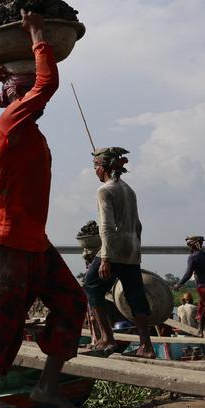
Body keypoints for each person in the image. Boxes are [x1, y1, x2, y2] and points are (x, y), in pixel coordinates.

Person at [0, 12, 89, 408]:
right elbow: (47, 82)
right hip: (11, 237)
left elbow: (34, 84)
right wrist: (35, 33)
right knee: (5, 319)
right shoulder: (11, 120)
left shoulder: (27, 126)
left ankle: (47, 387)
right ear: (21, 92)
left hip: (34, 240)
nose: (38, 94)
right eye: (28, 87)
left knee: (72, 302)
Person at [82, 147, 155, 358]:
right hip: (132, 249)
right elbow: (138, 224)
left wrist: (105, 257)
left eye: (95, 167)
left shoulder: (104, 190)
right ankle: (146, 346)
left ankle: (106, 338)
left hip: (113, 249)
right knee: (135, 295)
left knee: (91, 284)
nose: (95, 171)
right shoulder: (129, 190)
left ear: (103, 168)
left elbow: (106, 225)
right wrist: (136, 249)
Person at [174, 235, 205, 337]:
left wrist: (178, 284)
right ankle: (200, 330)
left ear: (192, 246)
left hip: (203, 288)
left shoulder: (193, 257)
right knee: (204, 308)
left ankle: (200, 330)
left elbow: (188, 274)